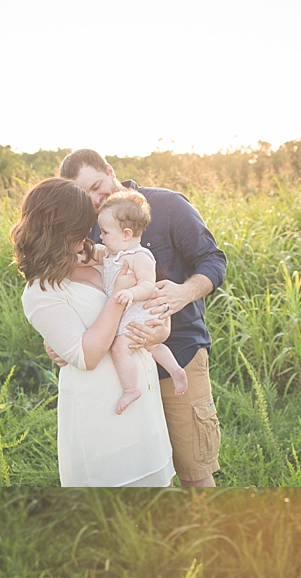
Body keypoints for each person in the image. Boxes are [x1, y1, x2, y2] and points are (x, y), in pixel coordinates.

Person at [63, 148, 228, 488]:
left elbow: (212, 260)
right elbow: (80, 292)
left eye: (97, 186)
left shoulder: (168, 206)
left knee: (194, 470)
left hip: (177, 352)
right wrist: (63, 342)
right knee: (146, 474)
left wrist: (184, 293)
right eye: (85, 195)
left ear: (110, 170)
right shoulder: (89, 231)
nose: (95, 199)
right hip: (121, 370)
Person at [14, 178, 174, 488]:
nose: (88, 234)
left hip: (144, 401)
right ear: (55, 229)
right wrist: (117, 296)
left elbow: (148, 304)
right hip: (102, 414)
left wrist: (160, 327)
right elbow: (87, 355)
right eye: (80, 229)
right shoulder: (40, 292)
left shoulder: (102, 256)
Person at [95, 191, 192, 411]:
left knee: (121, 347)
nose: (100, 237)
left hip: (138, 310)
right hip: (128, 312)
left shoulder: (140, 256)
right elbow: (95, 253)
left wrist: (131, 293)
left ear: (126, 234)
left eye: (104, 232)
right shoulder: (112, 252)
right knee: (154, 346)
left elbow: (148, 285)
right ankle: (176, 370)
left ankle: (131, 389)